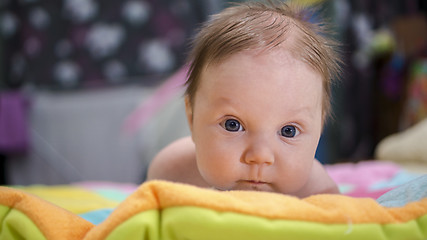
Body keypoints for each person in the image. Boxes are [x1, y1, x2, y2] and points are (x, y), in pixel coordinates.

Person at [147, 0, 342, 197]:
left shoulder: (317, 192)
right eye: (232, 125)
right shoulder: (174, 174)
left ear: (319, 128)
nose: (260, 156)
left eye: (288, 131)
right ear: (192, 117)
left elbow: (347, 226)